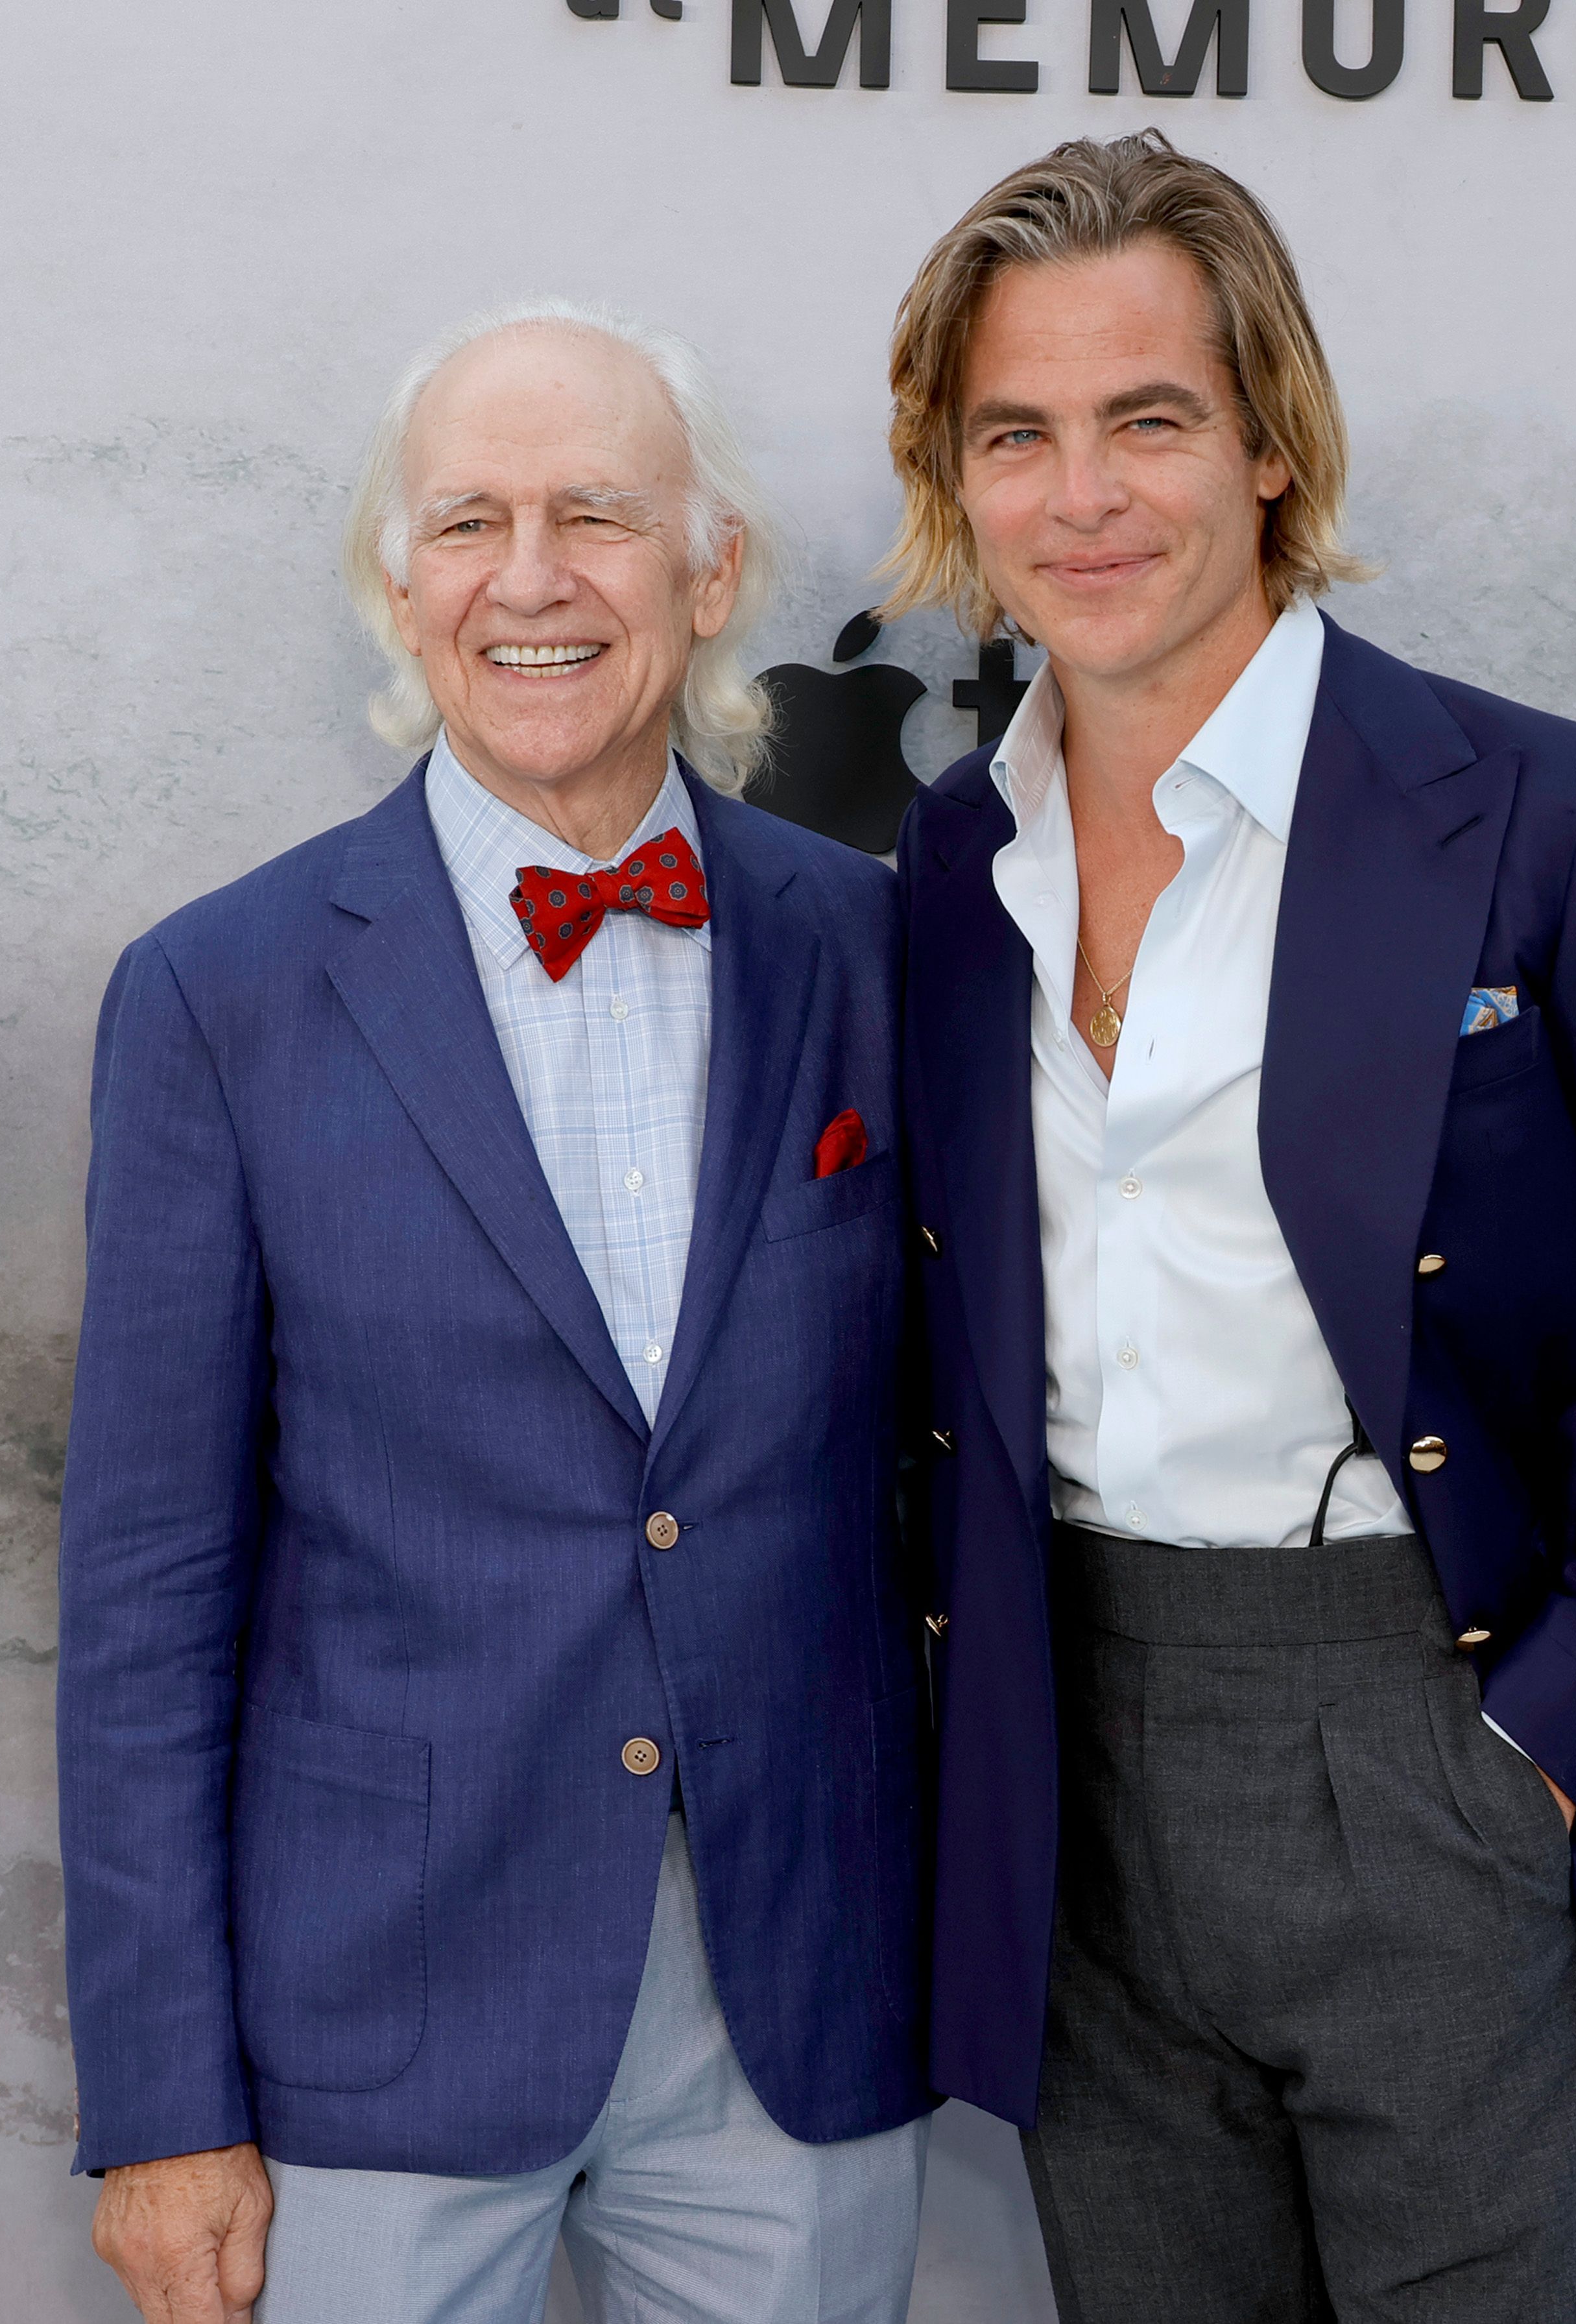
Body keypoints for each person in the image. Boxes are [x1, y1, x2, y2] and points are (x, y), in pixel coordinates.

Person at [883, 133, 1576, 2323]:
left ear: (1268, 440)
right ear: (956, 478)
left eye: (1149, 419)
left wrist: (1547, 1746)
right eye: (1014, 435)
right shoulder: (954, 868)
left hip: (1431, 1741)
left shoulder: (1553, 819)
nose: (1083, 495)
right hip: (1068, 1764)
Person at [57, 301, 931, 2324]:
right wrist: (163, 2100)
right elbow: (146, 1591)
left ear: (711, 577)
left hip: (792, 2002)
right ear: (398, 584)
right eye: (467, 522)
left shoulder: (876, 952)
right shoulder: (218, 995)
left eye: (597, 517)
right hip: (369, 2014)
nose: (528, 580)